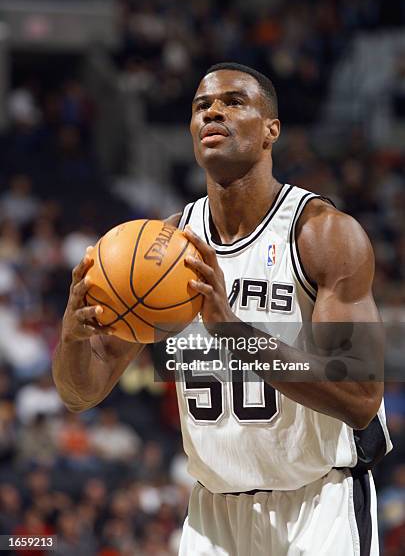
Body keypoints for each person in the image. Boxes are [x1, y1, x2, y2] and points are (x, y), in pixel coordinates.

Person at [53, 62, 392, 555]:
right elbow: (80, 394)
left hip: (317, 506)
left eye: (233, 102)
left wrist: (232, 330)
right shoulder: (162, 253)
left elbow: (361, 396)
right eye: (200, 106)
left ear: (271, 130)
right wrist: (71, 337)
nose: (212, 110)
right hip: (213, 516)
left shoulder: (322, 234)